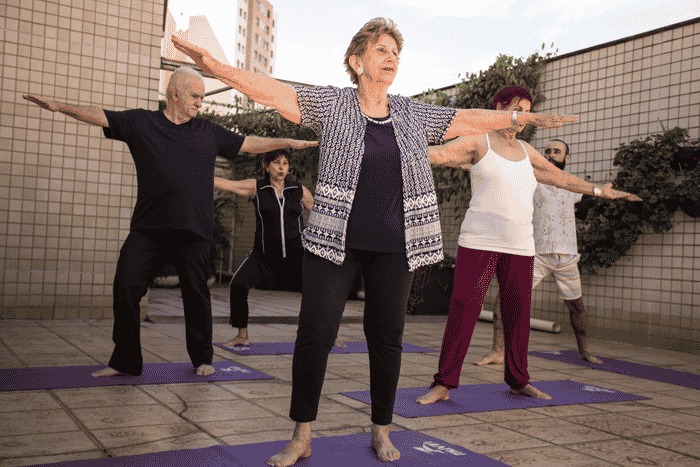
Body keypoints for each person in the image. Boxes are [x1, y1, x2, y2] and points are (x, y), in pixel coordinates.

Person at [172, 19, 576, 466]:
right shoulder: (333, 103)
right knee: (315, 335)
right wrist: (214, 66)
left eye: (395, 53)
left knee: (387, 338)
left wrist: (517, 118)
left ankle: (381, 429)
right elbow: (271, 91)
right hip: (333, 242)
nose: (391, 58)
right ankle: (302, 433)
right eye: (382, 50)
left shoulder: (409, 112)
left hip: (396, 245)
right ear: (357, 61)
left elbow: (465, 119)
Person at [22, 67, 317, 378]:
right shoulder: (142, 123)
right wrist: (60, 106)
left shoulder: (207, 131)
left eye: (203, 97)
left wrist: (288, 142)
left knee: (195, 295)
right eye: (195, 96)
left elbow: (249, 143)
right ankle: (124, 360)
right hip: (149, 228)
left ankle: (202, 358)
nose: (200, 103)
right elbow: (101, 115)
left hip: (193, 229)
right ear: (174, 93)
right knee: (125, 286)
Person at [416, 86, 640, 406]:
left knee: (518, 313)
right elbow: (437, 154)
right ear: (500, 107)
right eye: (518, 108)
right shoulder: (478, 141)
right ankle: (443, 382)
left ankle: (519, 379)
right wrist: (390, 145)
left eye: (528, 110)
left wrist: (601, 191)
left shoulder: (526, 151)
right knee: (465, 309)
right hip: (479, 240)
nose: (524, 117)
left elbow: (561, 179)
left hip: (520, 245)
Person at [476, 139, 603, 367]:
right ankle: (497, 351)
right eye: (547, 151)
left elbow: (588, 201)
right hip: (536, 254)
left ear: (567, 158)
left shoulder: (572, 185)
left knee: (577, 306)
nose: (551, 154)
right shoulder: (530, 180)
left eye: (557, 151)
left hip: (567, 257)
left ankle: (585, 350)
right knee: (506, 297)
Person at [213, 149, 313, 347]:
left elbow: (320, 213)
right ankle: (242, 335)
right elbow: (228, 184)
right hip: (264, 256)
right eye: (277, 163)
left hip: (296, 255)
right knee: (238, 285)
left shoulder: (298, 190)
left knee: (315, 292)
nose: (282, 167)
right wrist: (195, 172)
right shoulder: (257, 187)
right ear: (266, 166)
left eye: (285, 163)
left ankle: (327, 335)